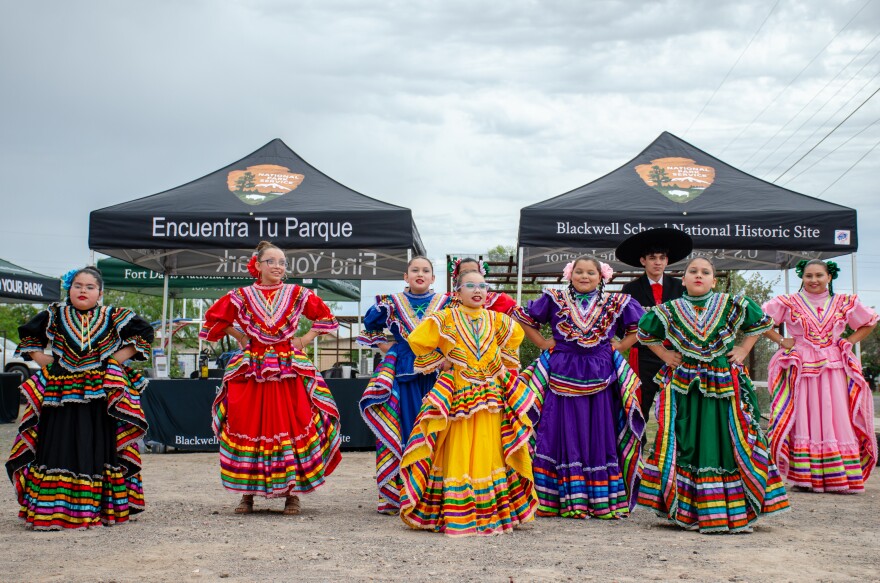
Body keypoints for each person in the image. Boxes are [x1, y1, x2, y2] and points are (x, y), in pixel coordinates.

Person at [637, 257, 790, 533]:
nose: (698, 275)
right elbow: (646, 333)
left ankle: (733, 508)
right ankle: (688, 508)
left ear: (713, 280)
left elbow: (759, 324)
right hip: (686, 385)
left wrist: (743, 350)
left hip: (724, 383)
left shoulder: (732, 304)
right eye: (692, 271)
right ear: (682, 279)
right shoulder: (669, 310)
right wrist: (665, 354)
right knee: (686, 438)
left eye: (705, 272)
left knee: (728, 437)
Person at [200, 241, 341, 515]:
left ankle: (293, 494)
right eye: (271, 262)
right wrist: (240, 335)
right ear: (258, 265)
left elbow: (325, 317)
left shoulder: (297, 293)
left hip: (288, 366)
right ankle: (247, 494)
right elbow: (214, 318)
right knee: (247, 422)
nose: (278, 267)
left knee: (294, 421)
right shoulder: (241, 295)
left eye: (282, 263)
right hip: (252, 367)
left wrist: (305, 339)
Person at [6, 266, 154, 530]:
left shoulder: (113, 316)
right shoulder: (54, 314)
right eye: (78, 286)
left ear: (100, 292)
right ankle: (53, 511)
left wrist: (113, 361)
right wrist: (44, 361)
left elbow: (144, 333)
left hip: (99, 390)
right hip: (60, 389)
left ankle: (94, 509)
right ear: (69, 289)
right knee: (58, 441)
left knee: (95, 441)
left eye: (89, 287)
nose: (83, 291)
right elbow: (29, 334)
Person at [399, 269, 536, 535]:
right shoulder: (446, 318)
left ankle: (488, 511)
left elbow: (513, 343)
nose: (477, 290)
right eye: (470, 285)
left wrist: (500, 361)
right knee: (458, 444)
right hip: (458, 389)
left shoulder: (499, 321)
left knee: (490, 445)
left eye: (482, 286)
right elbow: (418, 340)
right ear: (457, 292)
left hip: (490, 392)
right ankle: (457, 511)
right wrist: (443, 360)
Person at [514, 256, 645, 519]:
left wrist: (621, 346)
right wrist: (541, 342)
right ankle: (557, 499)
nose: (585, 277)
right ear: (569, 275)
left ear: (602, 277)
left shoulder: (616, 302)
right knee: (560, 429)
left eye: (591, 273)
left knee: (600, 429)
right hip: (561, 371)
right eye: (579, 272)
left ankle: (597, 499)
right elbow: (525, 318)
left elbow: (641, 327)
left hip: (601, 373)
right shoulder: (553, 299)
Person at [763, 259, 877, 492]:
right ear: (802, 278)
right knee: (805, 413)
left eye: (819, 275)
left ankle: (839, 475)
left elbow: (869, 322)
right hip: (801, 364)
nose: (814, 280)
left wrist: (849, 341)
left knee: (835, 413)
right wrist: (782, 341)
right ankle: (806, 476)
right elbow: (759, 321)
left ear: (829, 277)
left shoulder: (844, 302)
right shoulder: (790, 302)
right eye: (808, 276)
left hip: (834, 365)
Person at [357, 256, 450, 514]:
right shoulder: (390, 303)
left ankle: (432, 493)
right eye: (415, 270)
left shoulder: (447, 303)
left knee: (436, 429)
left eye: (426, 271)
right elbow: (370, 326)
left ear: (433, 278)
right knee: (407, 428)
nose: (420, 274)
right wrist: (389, 348)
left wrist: (448, 358)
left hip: (437, 374)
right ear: (406, 276)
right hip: (405, 372)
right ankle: (402, 494)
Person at [617, 228, 690, 426]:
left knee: (678, 407)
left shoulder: (681, 287)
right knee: (640, 404)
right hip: (642, 356)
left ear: (667, 261)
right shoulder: (630, 289)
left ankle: (675, 453)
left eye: (662, 257)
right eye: (652, 257)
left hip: (675, 355)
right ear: (643, 261)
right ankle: (636, 452)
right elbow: (621, 324)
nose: (657, 262)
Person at [447, 257, 517, 314]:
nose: (469, 275)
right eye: (464, 272)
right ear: (456, 276)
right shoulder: (445, 300)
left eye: (474, 271)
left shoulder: (498, 301)